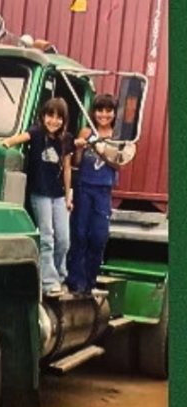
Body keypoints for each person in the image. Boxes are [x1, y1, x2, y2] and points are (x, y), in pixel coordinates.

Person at [1, 97, 73, 296]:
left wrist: (68, 196)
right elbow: (17, 139)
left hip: (58, 195)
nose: (54, 121)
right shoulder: (36, 132)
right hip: (40, 193)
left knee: (64, 240)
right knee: (47, 236)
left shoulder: (66, 140)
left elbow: (67, 169)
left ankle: (59, 275)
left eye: (59, 117)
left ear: (64, 120)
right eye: (50, 115)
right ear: (43, 116)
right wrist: (5, 143)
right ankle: (49, 283)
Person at [67, 94, 127, 295]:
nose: (104, 115)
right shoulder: (86, 130)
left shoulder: (119, 135)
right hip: (84, 187)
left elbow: (118, 165)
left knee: (98, 237)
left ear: (114, 113)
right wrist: (79, 147)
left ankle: (90, 282)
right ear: (93, 112)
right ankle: (76, 282)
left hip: (103, 191)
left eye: (108, 110)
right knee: (80, 234)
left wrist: (102, 149)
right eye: (100, 110)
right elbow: (76, 162)